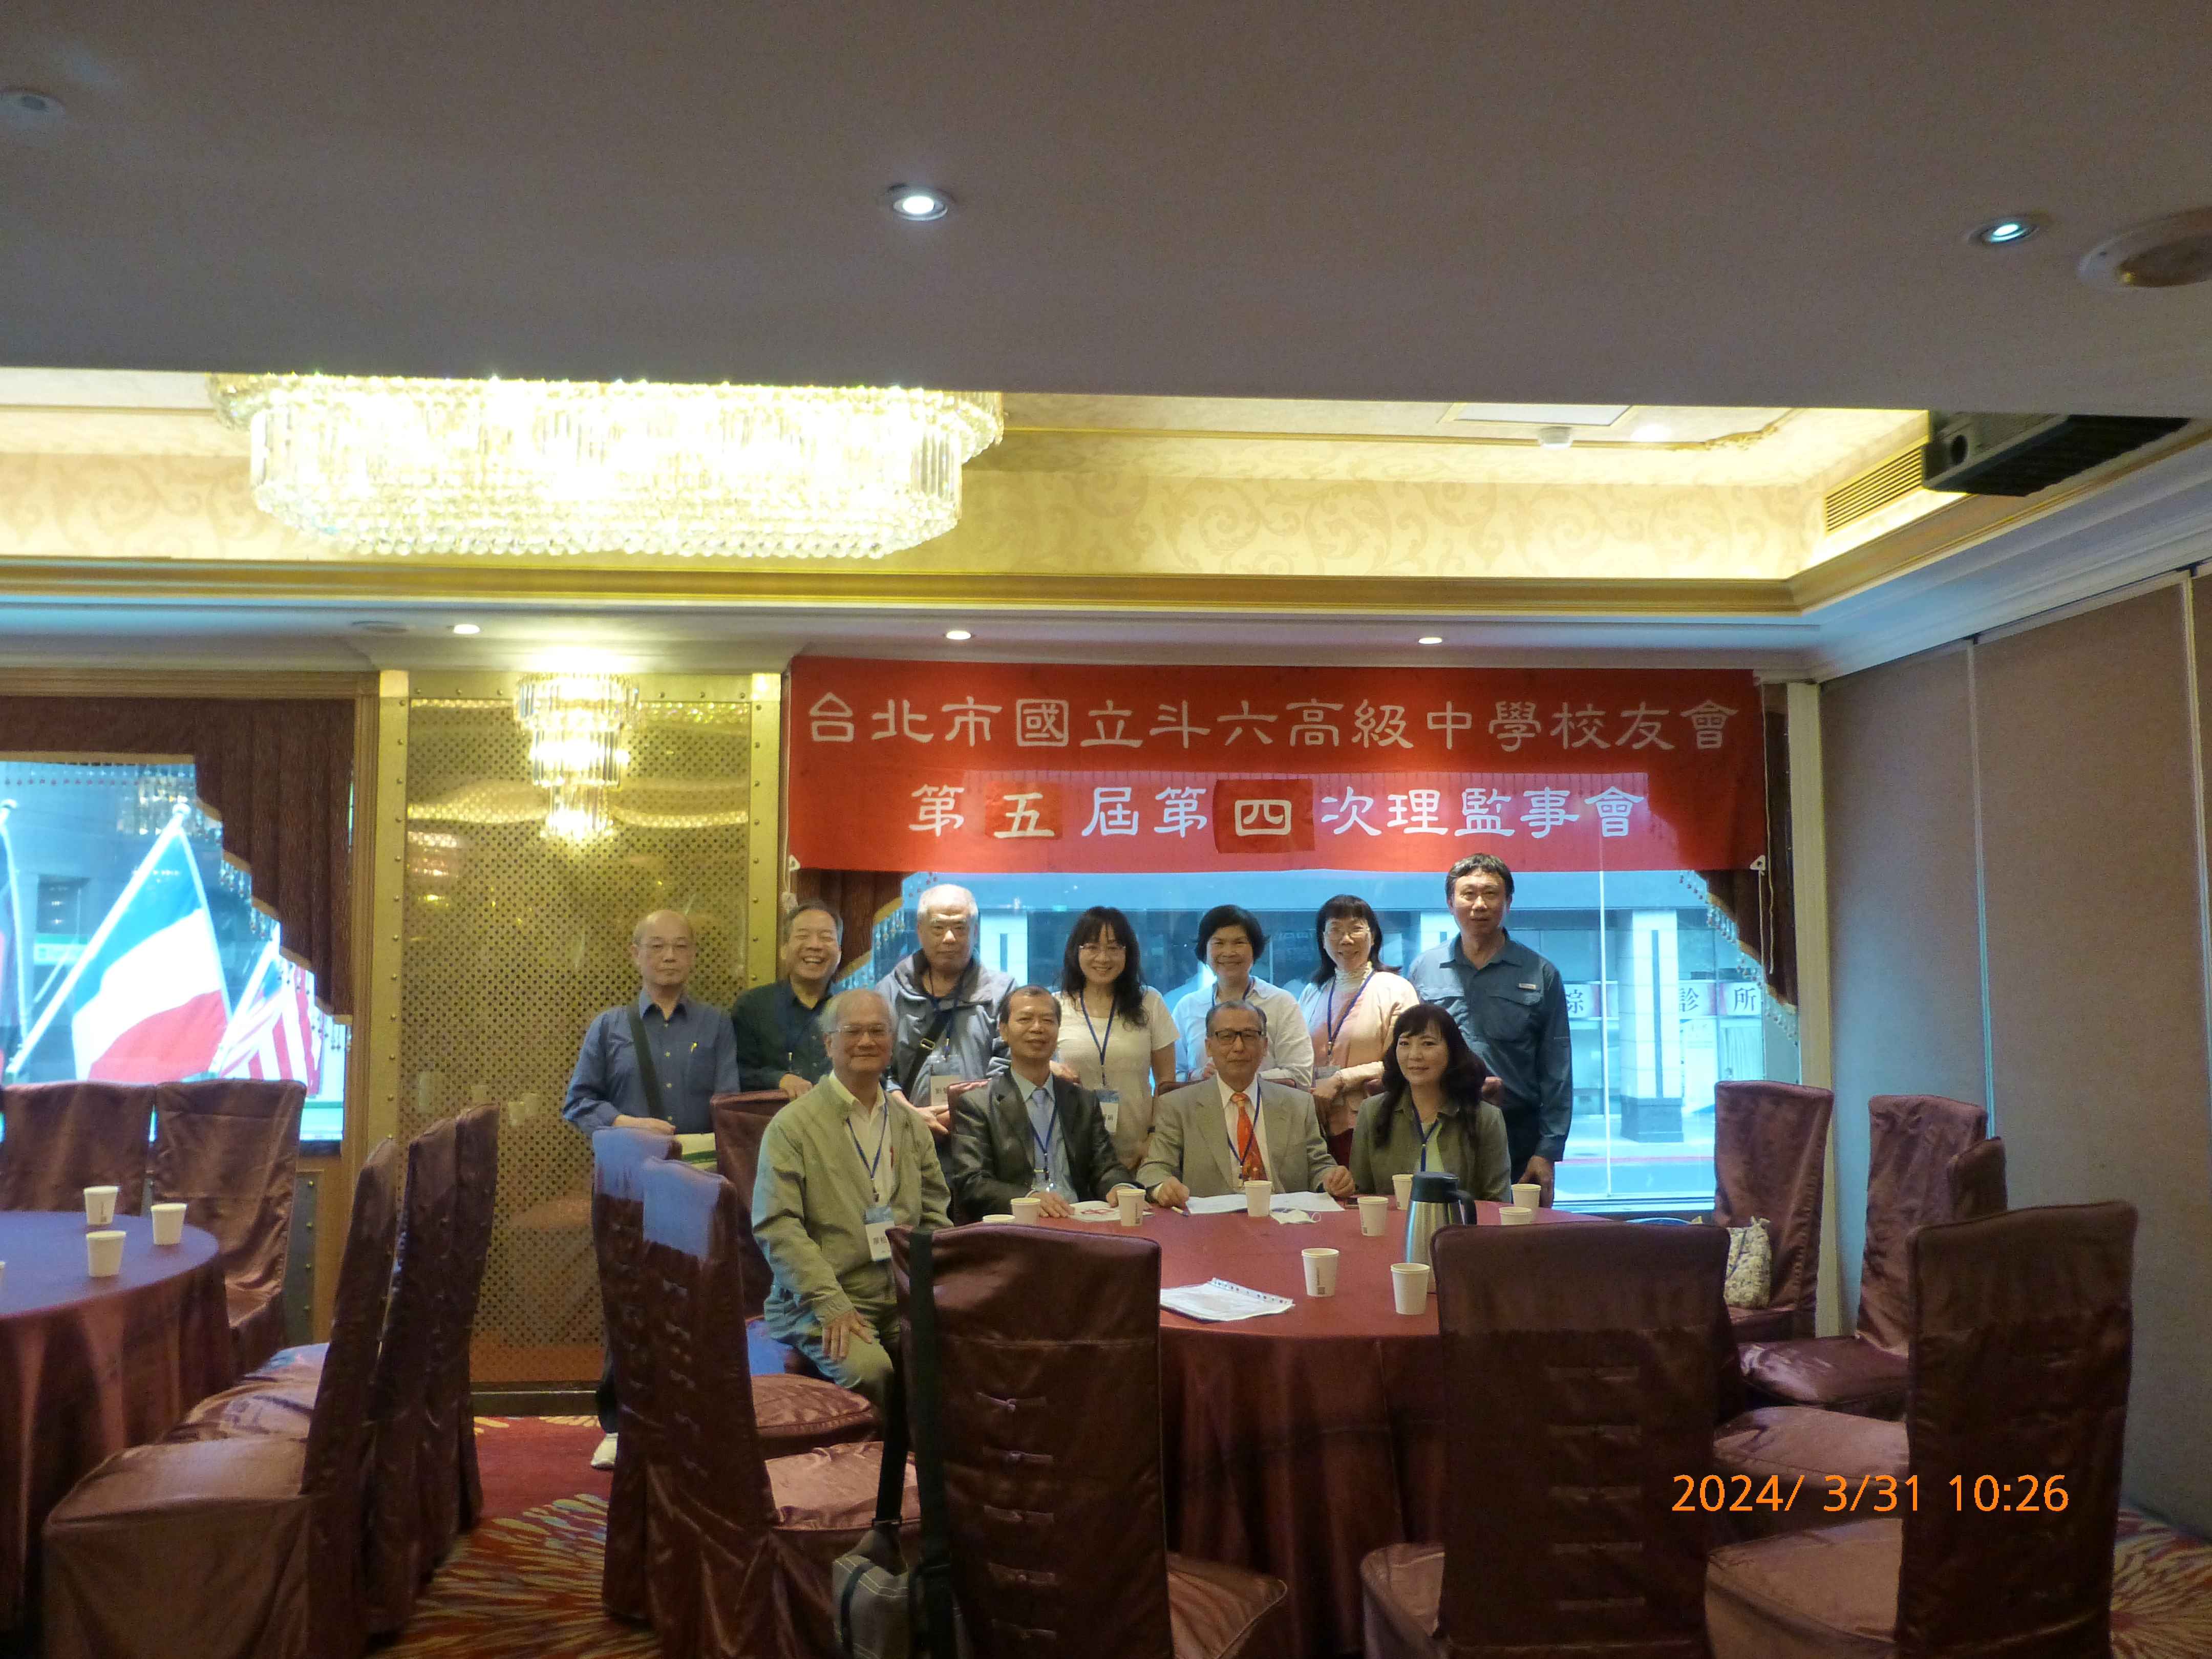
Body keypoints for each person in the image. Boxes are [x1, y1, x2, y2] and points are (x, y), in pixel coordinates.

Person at [563, 907, 744, 1469]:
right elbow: (578, 1103)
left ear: (694, 955)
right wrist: (628, 1124)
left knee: (695, 1300)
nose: (670, 956)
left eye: (681, 946)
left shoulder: (716, 1024)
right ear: (635, 955)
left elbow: (728, 1103)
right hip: (627, 1186)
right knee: (629, 1300)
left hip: (696, 1184)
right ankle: (620, 1424)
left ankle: (693, 1421)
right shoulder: (608, 1027)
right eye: (658, 946)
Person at [752, 987, 951, 1410]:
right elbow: (777, 1227)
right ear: (829, 1044)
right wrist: (831, 1304)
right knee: (871, 1370)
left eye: (878, 1031)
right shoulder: (792, 1127)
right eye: (853, 1031)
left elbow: (936, 1214)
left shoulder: (910, 1124)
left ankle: (924, 1455)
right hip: (821, 1296)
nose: (866, 1042)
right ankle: (874, 1454)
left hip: (899, 1292)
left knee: (965, 1357)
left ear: (892, 1042)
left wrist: (933, 1293)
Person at [1406, 854, 1571, 1205]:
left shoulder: (1540, 973)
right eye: (1468, 894)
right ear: (1450, 903)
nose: (1479, 905)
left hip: (1517, 1132)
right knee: (1441, 1225)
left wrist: (1547, 1151)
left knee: (1516, 1230)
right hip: (1441, 1124)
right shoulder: (1424, 969)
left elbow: (1557, 1068)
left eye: (1491, 894)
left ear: (1508, 902)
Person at [945, 985, 1145, 1220]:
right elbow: (972, 1182)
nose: (1037, 1028)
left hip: (1078, 1220)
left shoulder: (1083, 1101)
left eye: (1048, 1020)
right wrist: (1028, 1199)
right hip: (1017, 1225)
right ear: (1004, 1031)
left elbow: (1106, 1167)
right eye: (1025, 1019)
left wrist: (1120, 1187)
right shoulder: (976, 1105)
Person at [1139, 1002, 1354, 1206]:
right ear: (1209, 1047)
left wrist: (1332, 1178)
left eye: (1249, 1036)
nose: (1239, 1047)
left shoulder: (1299, 1105)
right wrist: (1162, 1188)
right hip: (1209, 1223)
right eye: (1226, 1036)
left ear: (1265, 1046)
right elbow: (1154, 1169)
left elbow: (1319, 1165)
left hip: (1285, 1220)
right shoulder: (1177, 1106)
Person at [1049, 905, 1178, 1174]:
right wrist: (1049, 1068)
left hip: (1140, 1150)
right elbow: (1028, 1067)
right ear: (1076, 951)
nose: (1103, 958)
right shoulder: (1056, 1006)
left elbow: (1166, 1082)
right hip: (1072, 1151)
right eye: (1092, 947)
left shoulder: (1150, 1002)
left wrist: (1154, 1138)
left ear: (1128, 953)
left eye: (1114, 947)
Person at [876, 883, 1012, 1135]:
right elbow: (877, 1068)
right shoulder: (888, 992)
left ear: (976, 931)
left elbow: (1010, 1066)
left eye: (960, 928)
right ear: (920, 930)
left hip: (981, 1134)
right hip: (904, 1133)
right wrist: (909, 1115)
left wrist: (959, 1115)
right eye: (938, 927)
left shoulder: (1003, 992)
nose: (949, 938)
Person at [1296, 895, 1419, 1162]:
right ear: (1322, 939)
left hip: (1373, 1123)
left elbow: (1405, 1061)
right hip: (1313, 1125)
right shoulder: (1312, 992)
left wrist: (1340, 1079)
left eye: (1356, 929)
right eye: (1335, 930)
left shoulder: (1396, 989)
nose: (1346, 939)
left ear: (1373, 936)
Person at [1350, 1002, 1511, 1201]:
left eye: (1428, 1044)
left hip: (1463, 1221)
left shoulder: (1486, 1118)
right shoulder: (1372, 1111)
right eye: (1405, 1044)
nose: (1414, 1055)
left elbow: (1498, 1201)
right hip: (1391, 1221)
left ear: (1452, 1051)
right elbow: (1360, 1195)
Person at [1168, 904, 1314, 1087]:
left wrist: (1243, 1079)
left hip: (1268, 1105)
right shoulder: (1187, 1007)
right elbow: (1171, 1075)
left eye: (1239, 943)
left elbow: (1301, 1075)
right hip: (1203, 1105)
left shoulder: (1281, 1003)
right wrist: (1197, 1075)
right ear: (1204, 950)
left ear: (1255, 950)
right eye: (1218, 943)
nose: (1229, 952)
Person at [731, 899, 842, 1097]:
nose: (815, 945)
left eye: (826, 937)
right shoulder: (753, 1007)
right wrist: (778, 1079)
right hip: (773, 1114)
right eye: (803, 936)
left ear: (840, 954)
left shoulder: (853, 1008)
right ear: (783, 950)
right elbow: (734, 1071)